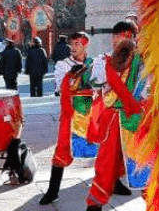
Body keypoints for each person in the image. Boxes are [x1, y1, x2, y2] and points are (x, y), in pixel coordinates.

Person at [85, 21, 145, 211]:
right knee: (106, 162)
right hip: (115, 118)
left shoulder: (144, 60)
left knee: (144, 164)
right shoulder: (105, 61)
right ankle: (95, 203)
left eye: (119, 36)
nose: (115, 41)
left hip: (137, 117)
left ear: (132, 37)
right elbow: (95, 83)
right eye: (114, 37)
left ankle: (154, 200)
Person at [39, 32, 97, 205]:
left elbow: (101, 83)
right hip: (72, 111)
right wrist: (70, 77)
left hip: (92, 110)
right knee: (63, 147)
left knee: (105, 146)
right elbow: (59, 86)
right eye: (72, 44)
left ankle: (112, 183)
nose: (73, 47)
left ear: (86, 45)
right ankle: (52, 190)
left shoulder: (94, 63)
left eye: (77, 44)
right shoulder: (63, 65)